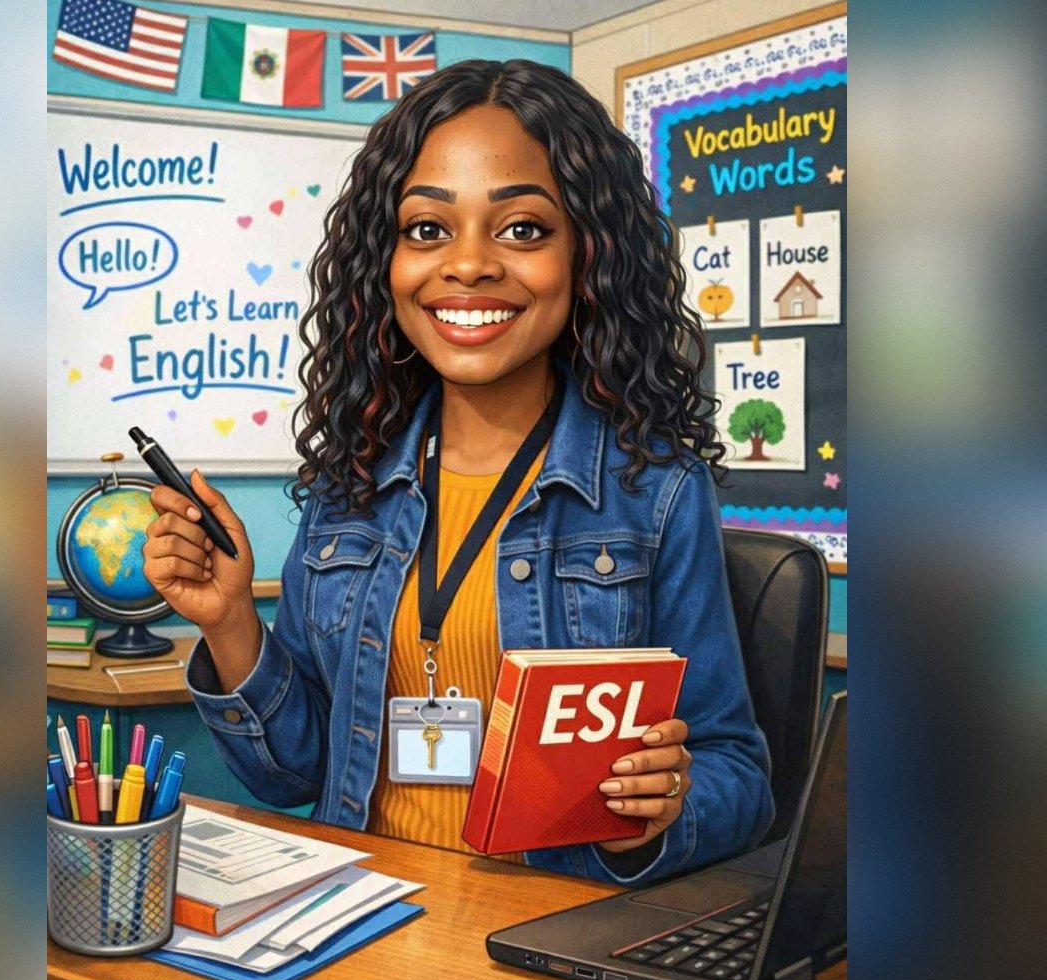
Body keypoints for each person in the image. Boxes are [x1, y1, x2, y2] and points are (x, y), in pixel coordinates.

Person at [142, 58, 773, 884]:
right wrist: (228, 624)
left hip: (542, 946)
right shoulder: (350, 483)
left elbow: (741, 779)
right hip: (357, 927)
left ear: (589, 256)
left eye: (522, 229)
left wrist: (655, 815)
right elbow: (289, 773)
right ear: (386, 262)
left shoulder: (653, 491)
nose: (468, 265)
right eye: (429, 229)